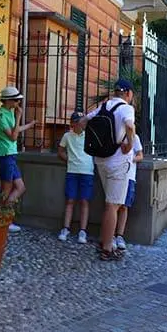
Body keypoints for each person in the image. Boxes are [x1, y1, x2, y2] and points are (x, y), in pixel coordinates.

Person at [82, 79, 137, 262]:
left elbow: (83, 122)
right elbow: (130, 126)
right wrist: (129, 144)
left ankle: (105, 241)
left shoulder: (104, 106)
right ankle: (107, 248)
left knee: (110, 204)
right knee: (113, 206)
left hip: (100, 160)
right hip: (118, 162)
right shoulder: (126, 109)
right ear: (128, 93)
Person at [0, 86, 35, 232]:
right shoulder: (1, 116)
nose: (18, 102)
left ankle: (2, 217)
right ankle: (0, 219)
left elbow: (15, 130)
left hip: (10, 154)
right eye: (16, 100)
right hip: (5, 154)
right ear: (8, 100)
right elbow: (13, 136)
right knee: (6, 189)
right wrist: (18, 118)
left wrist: (28, 125)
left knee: (20, 187)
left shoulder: (9, 112)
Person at [57, 112, 94, 243]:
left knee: (85, 201)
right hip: (72, 170)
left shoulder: (89, 135)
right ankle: (66, 228)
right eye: (80, 121)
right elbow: (60, 151)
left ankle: (82, 231)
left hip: (87, 171)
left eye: (83, 121)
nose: (83, 123)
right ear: (74, 123)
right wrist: (69, 160)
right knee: (70, 200)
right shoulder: (67, 136)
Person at [112, 133, 145, 251]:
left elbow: (140, 155)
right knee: (113, 205)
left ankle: (119, 235)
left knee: (124, 206)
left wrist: (131, 159)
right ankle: (111, 234)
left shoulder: (134, 137)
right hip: (115, 174)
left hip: (129, 175)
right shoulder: (115, 135)